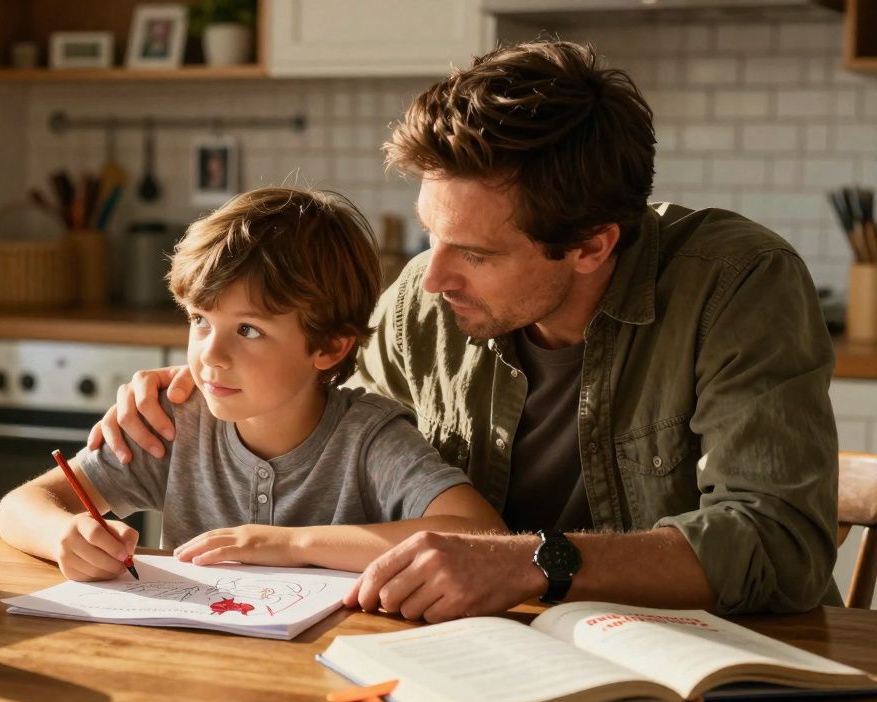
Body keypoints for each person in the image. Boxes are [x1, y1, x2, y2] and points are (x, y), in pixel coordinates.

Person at [88, 41, 840, 620]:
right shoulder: (422, 305)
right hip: (486, 652)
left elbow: (778, 546)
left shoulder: (735, 284)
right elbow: (325, 430)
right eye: (430, 234)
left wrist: (532, 562)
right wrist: (201, 387)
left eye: (476, 254)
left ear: (591, 246)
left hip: (715, 665)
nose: (431, 276)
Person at [0, 186, 506, 582]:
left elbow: (481, 536)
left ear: (330, 347)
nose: (210, 355)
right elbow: (18, 506)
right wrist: (64, 534)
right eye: (200, 320)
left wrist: (289, 545)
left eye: (248, 330)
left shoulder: (370, 439)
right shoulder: (175, 423)